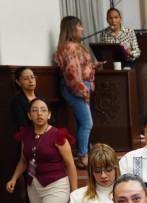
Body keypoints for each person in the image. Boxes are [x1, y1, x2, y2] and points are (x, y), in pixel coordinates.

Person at [53, 16, 99, 169]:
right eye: (80, 26)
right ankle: (83, 157)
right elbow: (72, 73)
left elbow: (80, 67)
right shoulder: (70, 47)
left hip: (79, 86)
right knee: (87, 123)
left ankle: (85, 154)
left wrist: (92, 66)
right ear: (72, 28)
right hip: (76, 88)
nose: (82, 29)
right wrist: (84, 91)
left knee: (83, 122)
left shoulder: (73, 47)